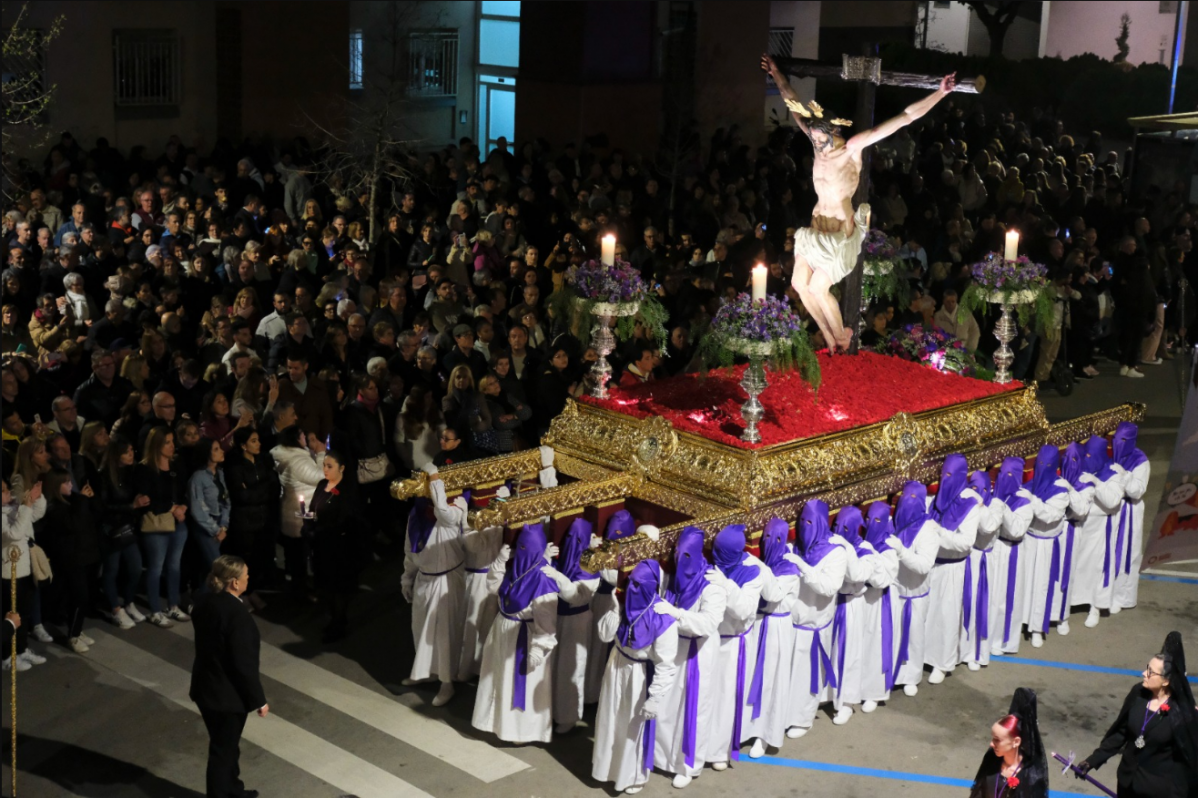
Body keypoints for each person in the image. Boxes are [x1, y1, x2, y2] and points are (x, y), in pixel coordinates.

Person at [762, 53, 956, 351]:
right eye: (813, 140)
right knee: (801, 285)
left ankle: (841, 336)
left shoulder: (852, 148)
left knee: (817, 287)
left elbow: (903, 118)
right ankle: (830, 338)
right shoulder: (817, 143)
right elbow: (794, 104)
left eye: (820, 140)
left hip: (839, 235)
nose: (817, 146)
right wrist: (775, 73)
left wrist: (940, 93)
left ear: (834, 133)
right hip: (815, 231)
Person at [592, 560, 680, 795]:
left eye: (639, 585)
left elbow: (665, 663)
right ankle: (607, 768)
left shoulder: (662, 617)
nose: (633, 589)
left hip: (639, 675)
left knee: (630, 728)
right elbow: (604, 635)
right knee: (610, 720)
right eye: (631, 583)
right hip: (616, 664)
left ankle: (632, 776)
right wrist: (614, 607)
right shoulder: (623, 604)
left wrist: (655, 697)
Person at [1074, 632, 1197, 798]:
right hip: (1127, 783)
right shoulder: (1138, 693)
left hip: (1158, 791)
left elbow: (1187, 758)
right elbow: (1120, 733)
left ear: (1166, 681)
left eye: (1151, 672)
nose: (1143, 674)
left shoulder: (1180, 712)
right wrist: (1092, 761)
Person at [471, 523, 563, 744]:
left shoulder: (544, 580)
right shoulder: (516, 568)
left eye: (526, 549)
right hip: (502, 630)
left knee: (521, 684)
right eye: (519, 547)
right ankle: (496, 722)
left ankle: (522, 731)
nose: (520, 552)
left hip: (525, 637)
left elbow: (547, 620)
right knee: (500, 679)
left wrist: (539, 649)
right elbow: (495, 589)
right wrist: (500, 562)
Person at [650, 525, 727, 788]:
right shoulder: (673, 580)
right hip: (673, 648)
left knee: (695, 708)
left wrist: (676, 614)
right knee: (669, 705)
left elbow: (707, 624)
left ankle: (688, 764)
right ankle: (661, 757)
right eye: (676, 554)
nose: (678, 561)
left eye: (686, 556)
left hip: (698, 652)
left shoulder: (712, 585)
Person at [189, 555, 268, 798]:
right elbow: (243, 665)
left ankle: (233, 789)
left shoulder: (203, 602)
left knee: (226, 745)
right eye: (245, 575)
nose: (248, 578)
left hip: (205, 688)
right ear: (234, 582)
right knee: (223, 751)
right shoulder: (238, 616)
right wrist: (259, 700)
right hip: (226, 696)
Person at [400, 463, 466, 705]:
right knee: (421, 630)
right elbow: (410, 551)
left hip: (447, 581)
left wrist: (435, 478)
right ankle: (426, 672)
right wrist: (407, 579)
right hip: (424, 580)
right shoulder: (416, 516)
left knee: (444, 634)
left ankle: (447, 683)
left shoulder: (456, 507)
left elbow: (443, 512)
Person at [785, 500, 848, 738]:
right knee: (788, 674)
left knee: (806, 675)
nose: (804, 527)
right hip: (791, 623)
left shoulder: (835, 553)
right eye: (801, 521)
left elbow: (829, 587)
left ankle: (803, 719)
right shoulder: (795, 547)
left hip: (814, 626)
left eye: (810, 522)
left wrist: (803, 568)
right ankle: (784, 715)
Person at [924, 453, 981, 684]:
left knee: (946, 615)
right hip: (930, 565)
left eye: (950, 475)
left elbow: (965, 542)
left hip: (952, 568)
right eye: (942, 474)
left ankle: (942, 662)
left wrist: (937, 532)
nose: (945, 479)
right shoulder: (935, 497)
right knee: (928, 614)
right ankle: (924, 657)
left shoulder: (970, 503)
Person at [744, 517, 797, 756]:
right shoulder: (764, 562)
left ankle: (765, 734)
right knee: (750, 676)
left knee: (771, 680)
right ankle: (746, 728)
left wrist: (759, 568)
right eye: (765, 538)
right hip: (757, 624)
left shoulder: (789, 568)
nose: (769, 543)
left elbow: (772, 595)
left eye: (774, 539)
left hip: (776, 628)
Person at [37, 466, 100, 653]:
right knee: (79, 596)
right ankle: (73, 636)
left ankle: (77, 631)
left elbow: (93, 516)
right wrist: (81, 499)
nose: (70, 484)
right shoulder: (54, 507)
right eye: (65, 482)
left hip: (84, 555)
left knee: (81, 597)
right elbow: (72, 525)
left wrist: (86, 499)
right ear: (56, 485)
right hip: (71, 559)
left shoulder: (73, 500)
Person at [886, 481, 940, 697]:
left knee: (914, 637)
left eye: (913, 499)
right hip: (894, 592)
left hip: (916, 594)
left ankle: (911, 677)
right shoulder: (893, 523)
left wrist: (901, 551)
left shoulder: (929, 530)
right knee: (891, 636)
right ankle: (888, 676)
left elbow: (923, 565)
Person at [135, 426, 190, 628]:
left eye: (172, 441)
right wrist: (172, 507)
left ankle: (173, 605)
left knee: (174, 566)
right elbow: (147, 500)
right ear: (156, 444)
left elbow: (184, 491)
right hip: (157, 525)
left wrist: (183, 506)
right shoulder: (145, 468)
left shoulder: (176, 465)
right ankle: (155, 610)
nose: (172, 445)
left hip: (178, 522)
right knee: (156, 568)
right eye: (167, 442)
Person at [1020, 444, 1072, 648]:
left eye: (1046, 464)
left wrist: (1032, 500)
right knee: (1024, 584)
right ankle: (1021, 623)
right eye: (1039, 463)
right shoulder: (1030, 483)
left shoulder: (1061, 489)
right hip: (1028, 541)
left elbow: (1051, 516)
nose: (1042, 467)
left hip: (1047, 545)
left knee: (1041, 586)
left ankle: (1037, 628)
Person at [308, 450, 360, 643]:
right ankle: (333, 619)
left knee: (338, 587)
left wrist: (320, 527)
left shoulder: (347, 491)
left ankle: (339, 622)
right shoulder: (322, 485)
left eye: (330, 466)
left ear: (342, 468)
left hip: (339, 546)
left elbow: (345, 519)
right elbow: (314, 509)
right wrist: (308, 522)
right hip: (321, 544)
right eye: (324, 465)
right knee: (325, 586)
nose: (325, 469)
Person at [97, 435, 147, 629]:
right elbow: (103, 506)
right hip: (111, 530)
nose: (132, 454)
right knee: (112, 570)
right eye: (127, 452)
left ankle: (129, 602)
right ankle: (115, 609)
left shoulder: (130, 473)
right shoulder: (104, 476)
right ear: (117, 455)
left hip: (127, 528)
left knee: (135, 568)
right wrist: (131, 506)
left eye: (132, 450)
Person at [829, 507, 873, 725]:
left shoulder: (865, 549)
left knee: (850, 653)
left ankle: (847, 702)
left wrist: (845, 548)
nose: (839, 532)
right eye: (836, 527)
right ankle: (829, 695)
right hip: (833, 604)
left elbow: (856, 574)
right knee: (831, 652)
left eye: (845, 528)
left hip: (852, 605)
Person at [269, 425, 324, 598]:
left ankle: (301, 586)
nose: (305, 439)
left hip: (293, 513)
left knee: (297, 555)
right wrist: (322, 453)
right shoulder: (297, 461)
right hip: (302, 516)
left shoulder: (289, 456)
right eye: (302, 436)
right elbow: (321, 476)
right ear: (295, 439)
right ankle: (303, 589)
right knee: (301, 556)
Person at [1075, 436, 1125, 627]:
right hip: (1082, 525)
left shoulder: (1113, 473)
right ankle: (1076, 600)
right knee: (1079, 565)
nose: (1088, 458)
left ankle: (1095, 607)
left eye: (1091, 455)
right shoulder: (1083, 468)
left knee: (1098, 568)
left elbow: (1112, 501)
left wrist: (1097, 483)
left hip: (1101, 527)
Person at [855, 502, 900, 713]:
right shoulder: (861, 542)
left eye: (878, 521)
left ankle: (874, 691)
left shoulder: (889, 548)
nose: (872, 525)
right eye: (869, 520)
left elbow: (882, 579)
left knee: (876, 645)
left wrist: (869, 558)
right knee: (860, 643)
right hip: (860, 600)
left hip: (879, 602)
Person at [969, 687, 1049, 797]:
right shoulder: (991, 761)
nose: (991, 744)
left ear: (1016, 742)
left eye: (997, 740)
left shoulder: (1030, 777)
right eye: (993, 738)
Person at [990, 458, 1033, 658]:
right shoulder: (993, 494)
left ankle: (1003, 640)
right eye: (1002, 474)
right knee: (992, 595)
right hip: (995, 549)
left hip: (1012, 551)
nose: (1004, 480)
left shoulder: (1024, 500)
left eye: (1010, 475)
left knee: (1008, 598)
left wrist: (1002, 507)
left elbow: (1017, 529)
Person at [2, 478, 46, 671]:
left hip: (24, 569)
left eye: (6, 489)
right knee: (9, 617)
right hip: (7, 573)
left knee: (23, 614)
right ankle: (6, 657)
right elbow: (14, 534)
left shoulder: (13, 507)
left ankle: (21, 650)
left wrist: (36, 496)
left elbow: (36, 515)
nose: (8, 494)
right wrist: (26, 505)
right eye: (3, 491)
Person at [961, 470, 1002, 671]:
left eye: (981, 489)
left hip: (986, 562)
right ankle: (963, 651)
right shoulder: (966, 502)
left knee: (983, 606)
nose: (977, 492)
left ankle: (979, 652)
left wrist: (979, 504)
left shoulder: (996, 505)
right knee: (965, 607)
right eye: (973, 488)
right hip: (968, 560)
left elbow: (988, 526)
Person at [1109, 423, 1150, 613]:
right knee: (1107, 551)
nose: (1119, 443)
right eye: (1117, 438)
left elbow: (1138, 491)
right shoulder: (1110, 454)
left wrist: (1125, 476)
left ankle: (1122, 597)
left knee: (1126, 553)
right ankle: (1104, 594)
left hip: (1129, 510)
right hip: (1110, 507)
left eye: (1124, 440)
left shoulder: (1140, 461)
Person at [188, 437, 231, 577]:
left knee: (210, 570)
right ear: (207, 453)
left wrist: (223, 525)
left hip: (219, 523)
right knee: (217, 568)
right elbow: (197, 509)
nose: (221, 451)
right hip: (205, 527)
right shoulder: (198, 477)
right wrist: (216, 530)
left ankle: (202, 596)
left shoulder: (220, 473)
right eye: (216, 449)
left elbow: (226, 501)